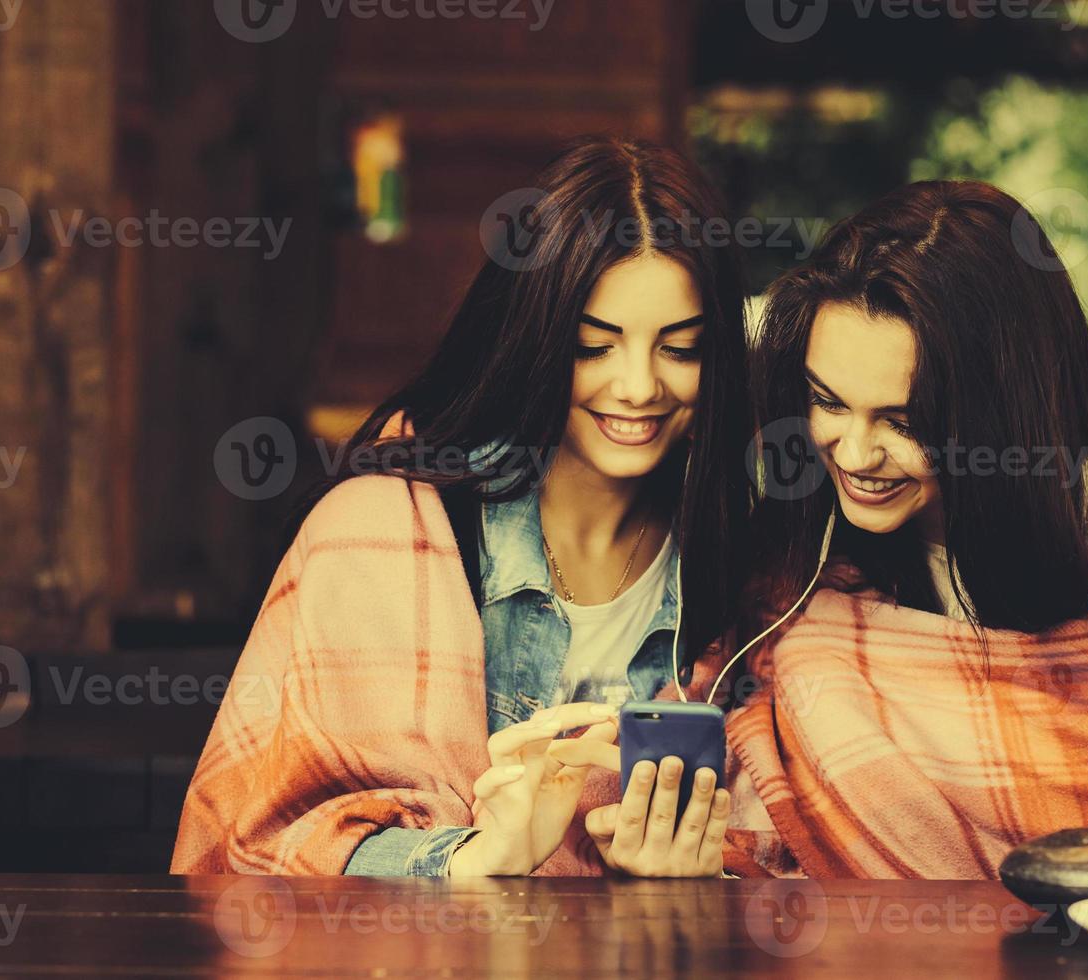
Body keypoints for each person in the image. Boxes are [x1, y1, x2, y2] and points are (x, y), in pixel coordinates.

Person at [171, 136, 753, 877]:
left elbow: (776, 857)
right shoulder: (374, 530)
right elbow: (268, 846)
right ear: (537, 341)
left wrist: (694, 878)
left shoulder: (740, 567)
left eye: (680, 349)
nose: (639, 386)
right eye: (594, 346)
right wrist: (468, 860)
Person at [721, 180, 1088, 879]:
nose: (853, 455)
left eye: (905, 422)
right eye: (828, 401)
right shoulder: (822, 523)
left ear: (1000, 413)